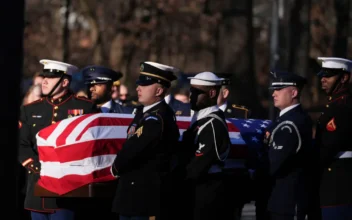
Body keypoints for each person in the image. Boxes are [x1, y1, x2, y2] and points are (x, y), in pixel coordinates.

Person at [18, 59, 97, 220]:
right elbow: (22, 144)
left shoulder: (86, 108)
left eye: (51, 78)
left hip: (67, 191)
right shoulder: (30, 109)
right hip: (37, 187)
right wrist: (37, 167)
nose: (44, 81)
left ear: (65, 82)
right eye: (44, 76)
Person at [110, 61, 180, 220]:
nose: (138, 88)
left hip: (145, 198)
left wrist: (115, 167)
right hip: (132, 196)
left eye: (145, 84)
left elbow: (134, 149)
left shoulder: (158, 118)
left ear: (159, 90)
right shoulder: (143, 112)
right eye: (139, 83)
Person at [179, 71, 232, 220]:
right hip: (196, 190)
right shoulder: (200, 120)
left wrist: (174, 180)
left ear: (212, 93)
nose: (191, 96)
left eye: (197, 92)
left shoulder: (213, 124)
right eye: (191, 91)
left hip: (207, 192)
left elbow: (198, 165)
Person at [264, 71, 315, 220]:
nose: (274, 94)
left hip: (286, 202)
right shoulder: (285, 120)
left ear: (293, 92)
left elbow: (273, 163)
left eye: (279, 90)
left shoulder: (291, 124)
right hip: (278, 200)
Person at [315, 57, 352, 220]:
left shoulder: (341, 106)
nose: (323, 79)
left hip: (339, 183)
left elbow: (328, 146)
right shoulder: (335, 104)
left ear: (344, 78)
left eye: (329, 75)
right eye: (322, 74)